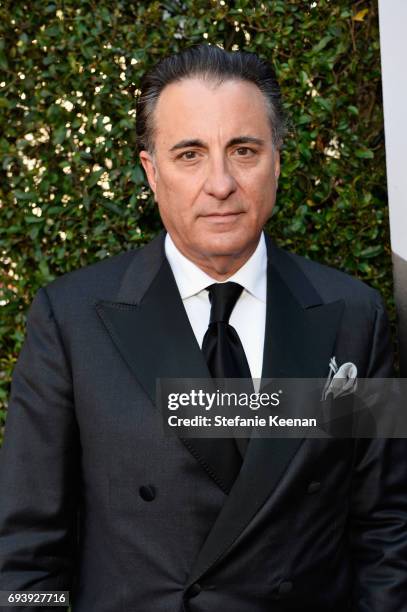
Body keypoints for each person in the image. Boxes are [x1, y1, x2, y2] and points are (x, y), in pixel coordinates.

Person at [0, 44, 406, 612]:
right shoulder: (69, 320)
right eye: (190, 154)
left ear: (277, 160)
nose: (220, 183)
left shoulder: (353, 316)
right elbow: (25, 553)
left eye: (243, 150)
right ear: (152, 171)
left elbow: (385, 524)